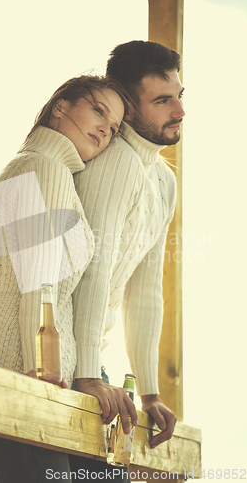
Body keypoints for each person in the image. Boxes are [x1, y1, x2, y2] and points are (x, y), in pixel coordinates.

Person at [0, 75, 127, 483]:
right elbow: (37, 286)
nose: (104, 129)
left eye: (113, 128)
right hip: (23, 377)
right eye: (98, 111)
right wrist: (43, 374)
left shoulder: (42, 169)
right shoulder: (44, 168)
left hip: (17, 376)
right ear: (60, 106)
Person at [71, 41, 185, 469]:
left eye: (179, 96)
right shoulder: (115, 161)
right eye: (162, 100)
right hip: (56, 361)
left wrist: (152, 392)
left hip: (85, 362)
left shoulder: (164, 181)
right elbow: (93, 269)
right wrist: (86, 377)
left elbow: (145, 292)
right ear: (130, 109)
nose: (179, 111)